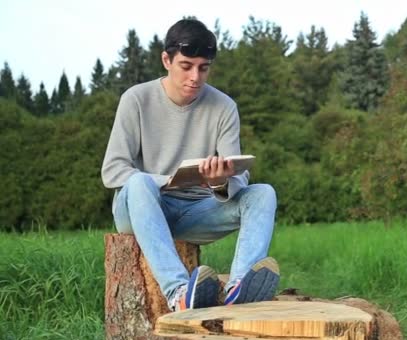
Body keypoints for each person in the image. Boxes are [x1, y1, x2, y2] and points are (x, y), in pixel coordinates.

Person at [101, 18, 279, 311]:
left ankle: (238, 288)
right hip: (143, 208)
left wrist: (219, 182)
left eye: (203, 68)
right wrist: (169, 180)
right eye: (186, 66)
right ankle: (179, 293)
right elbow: (113, 170)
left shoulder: (224, 107)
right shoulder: (136, 99)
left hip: (197, 212)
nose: (195, 77)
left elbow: (238, 180)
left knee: (263, 193)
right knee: (139, 181)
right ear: (166, 60)